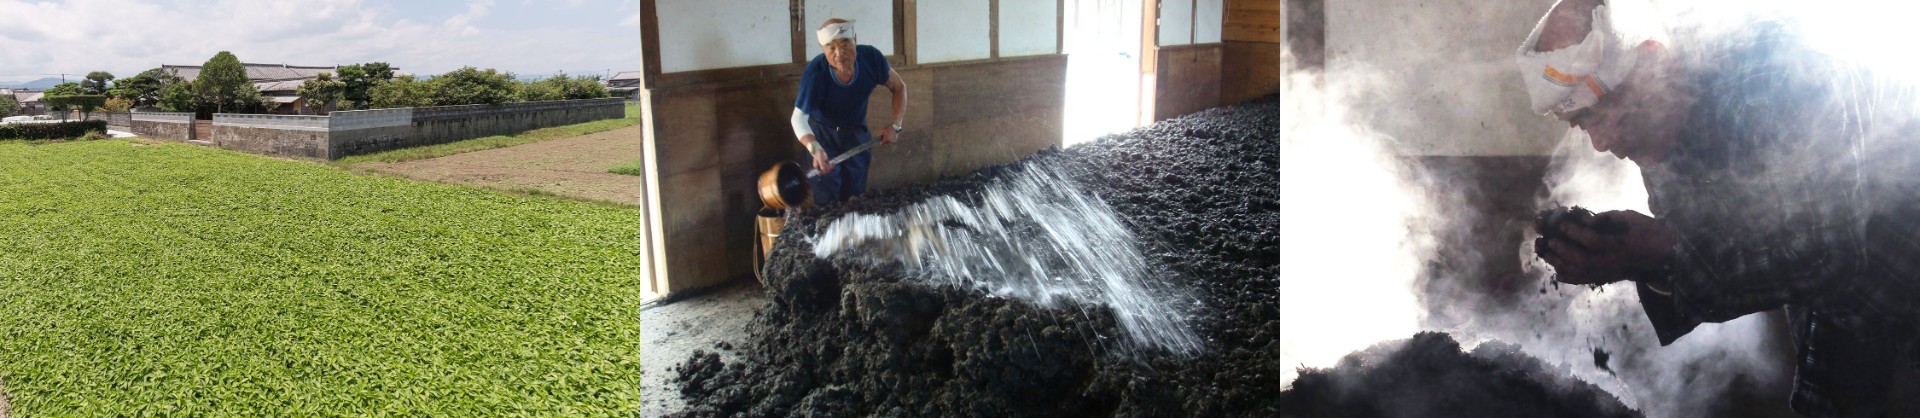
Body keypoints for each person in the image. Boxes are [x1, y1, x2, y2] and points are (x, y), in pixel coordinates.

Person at [1516, 0, 1920, 416]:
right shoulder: (1658, 113)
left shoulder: (1784, 74)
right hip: (1842, 308)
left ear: (1653, 62)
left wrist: (1664, 253)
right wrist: (1635, 256)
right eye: (1582, 124)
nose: (1599, 143)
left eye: (1601, 114)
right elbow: (1704, 245)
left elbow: (1830, 256)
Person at [791, 18, 908, 204]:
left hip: (856, 133)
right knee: (828, 201)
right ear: (823, 49)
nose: (839, 53)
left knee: (855, 197)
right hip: (823, 136)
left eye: (845, 43)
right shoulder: (815, 74)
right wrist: (816, 149)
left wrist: (896, 125)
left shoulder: (871, 58)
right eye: (831, 47)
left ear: (855, 39)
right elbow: (798, 119)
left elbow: (899, 87)